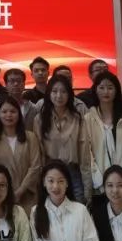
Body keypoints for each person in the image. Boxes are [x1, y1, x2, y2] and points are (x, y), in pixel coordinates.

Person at [83, 71, 122, 202]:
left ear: (116, 90)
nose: (106, 92)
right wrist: (99, 181)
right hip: (99, 187)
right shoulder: (88, 120)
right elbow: (87, 154)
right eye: (101, 87)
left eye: (110, 87)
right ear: (95, 90)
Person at [35, 75, 91, 204]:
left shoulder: (78, 118)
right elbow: (39, 152)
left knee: (78, 210)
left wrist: (87, 186)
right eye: (54, 91)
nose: (59, 96)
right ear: (49, 93)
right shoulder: (40, 119)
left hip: (73, 173)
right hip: (50, 173)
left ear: (69, 94)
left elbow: (84, 153)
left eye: (63, 91)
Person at [0, 95, 43, 213]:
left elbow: (36, 166)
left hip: (28, 196)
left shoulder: (30, 137)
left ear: (19, 114)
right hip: (1, 196)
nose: (9, 115)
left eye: (13, 111)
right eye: (4, 112)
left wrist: (20, 191)